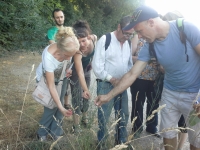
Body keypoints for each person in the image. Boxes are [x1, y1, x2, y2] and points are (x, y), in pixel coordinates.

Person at [95, 5, 200, 150]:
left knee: (196, 139)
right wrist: (108, 96)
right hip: (169, 93)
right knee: (168, 135)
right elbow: (132, 74)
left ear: (151, 22)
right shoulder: (149, 46)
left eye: (139, 31)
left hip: (194, 95)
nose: (139, 36)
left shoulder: (186, 29)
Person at [92, 15, 136, 149]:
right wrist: (112, 79)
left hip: (121, 85)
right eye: (126, 33)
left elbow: (129, 64)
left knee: (123, 115)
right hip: (105, 84)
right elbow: (97, 66)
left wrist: (124, 80)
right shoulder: (105, 39)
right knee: (104, 117)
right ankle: (102, 144)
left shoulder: (128, 42)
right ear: (119, 27)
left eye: (131, 34)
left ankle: (121, 143)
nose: (127, 36)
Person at [36, 26, 80, 141]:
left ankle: (56, 131)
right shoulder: (48, 57)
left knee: (60, 107)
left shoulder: (68, 50)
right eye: (68, 55)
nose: (70, 58)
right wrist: (61, 107)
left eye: (72, 55)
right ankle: (42, 133)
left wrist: (69, 69)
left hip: (62, 78)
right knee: (51, 106)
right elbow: (51, 85)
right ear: (60, 50)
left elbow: (69, 63)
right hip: (47, 81)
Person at [162, 11, 188, 150]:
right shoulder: (165, 44)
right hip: (171, 89)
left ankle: (179, 147)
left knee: (184, 124)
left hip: (189, 91)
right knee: (169, 124)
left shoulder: (190, 40)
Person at [68, 20, 97, 134]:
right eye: (78, 42)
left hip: (87, 70)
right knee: (77, 97)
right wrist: (84, 89)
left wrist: (91, 62)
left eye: (84, 40)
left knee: (86, 96)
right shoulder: (77, 51)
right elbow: (79, 72)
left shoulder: (94, 38)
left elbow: (95, 51)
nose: (82, 45)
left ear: (89, 37)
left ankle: (84, 117)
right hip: (76, 71)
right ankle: (76, 125)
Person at [130, 38, 160, 138]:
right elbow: (129, 57)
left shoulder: (159, 40)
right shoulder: (137, 38)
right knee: (138, 103)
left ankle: (152, 127)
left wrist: (158, 61)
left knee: (153, 104)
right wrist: (142, 59)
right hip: (139, 77)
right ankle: (136, 128)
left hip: (155, 78)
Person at [46, 8, 72, 109]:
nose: (60, 19)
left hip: (67, 60)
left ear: (64, 17)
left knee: (67, 82)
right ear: (54, 19)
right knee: (57, 84)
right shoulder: (51, 31)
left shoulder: (68, 30)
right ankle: (55, 104)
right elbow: (53, 45)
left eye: (61, 17)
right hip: (56, 61)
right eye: (57, 17)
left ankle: (66, 103)